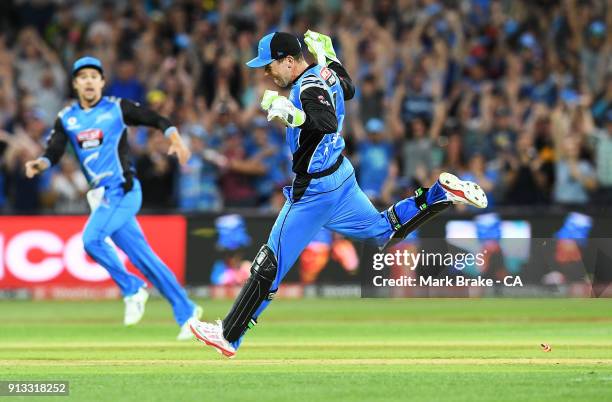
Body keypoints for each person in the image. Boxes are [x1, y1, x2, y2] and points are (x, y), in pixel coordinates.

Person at [189, 31, 487, 357]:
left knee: (269, 262)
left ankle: (229, 335)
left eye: (269, 64)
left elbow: (326, 122)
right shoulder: (323, 73)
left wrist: (294, 115)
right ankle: (437, 195)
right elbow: (349, 88)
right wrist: (329, 56)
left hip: (316, 189)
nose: (266, 73)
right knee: (383, 231)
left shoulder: (306, 86)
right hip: (340, 178)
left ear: (289, 61)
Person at [24, 56, 201, 340]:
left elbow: (155, 119)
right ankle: (188, 312)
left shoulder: (117, 108)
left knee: (91, 240)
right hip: (100, 197)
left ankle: (132, 289)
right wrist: (39, 164)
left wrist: (176, 140)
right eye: (83, 77)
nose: (89, 81)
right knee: (146, 260)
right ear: (75, 84)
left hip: (123, 190)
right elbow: (54, 151)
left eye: (94, 76)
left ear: (102, 82)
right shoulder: (67, 118)